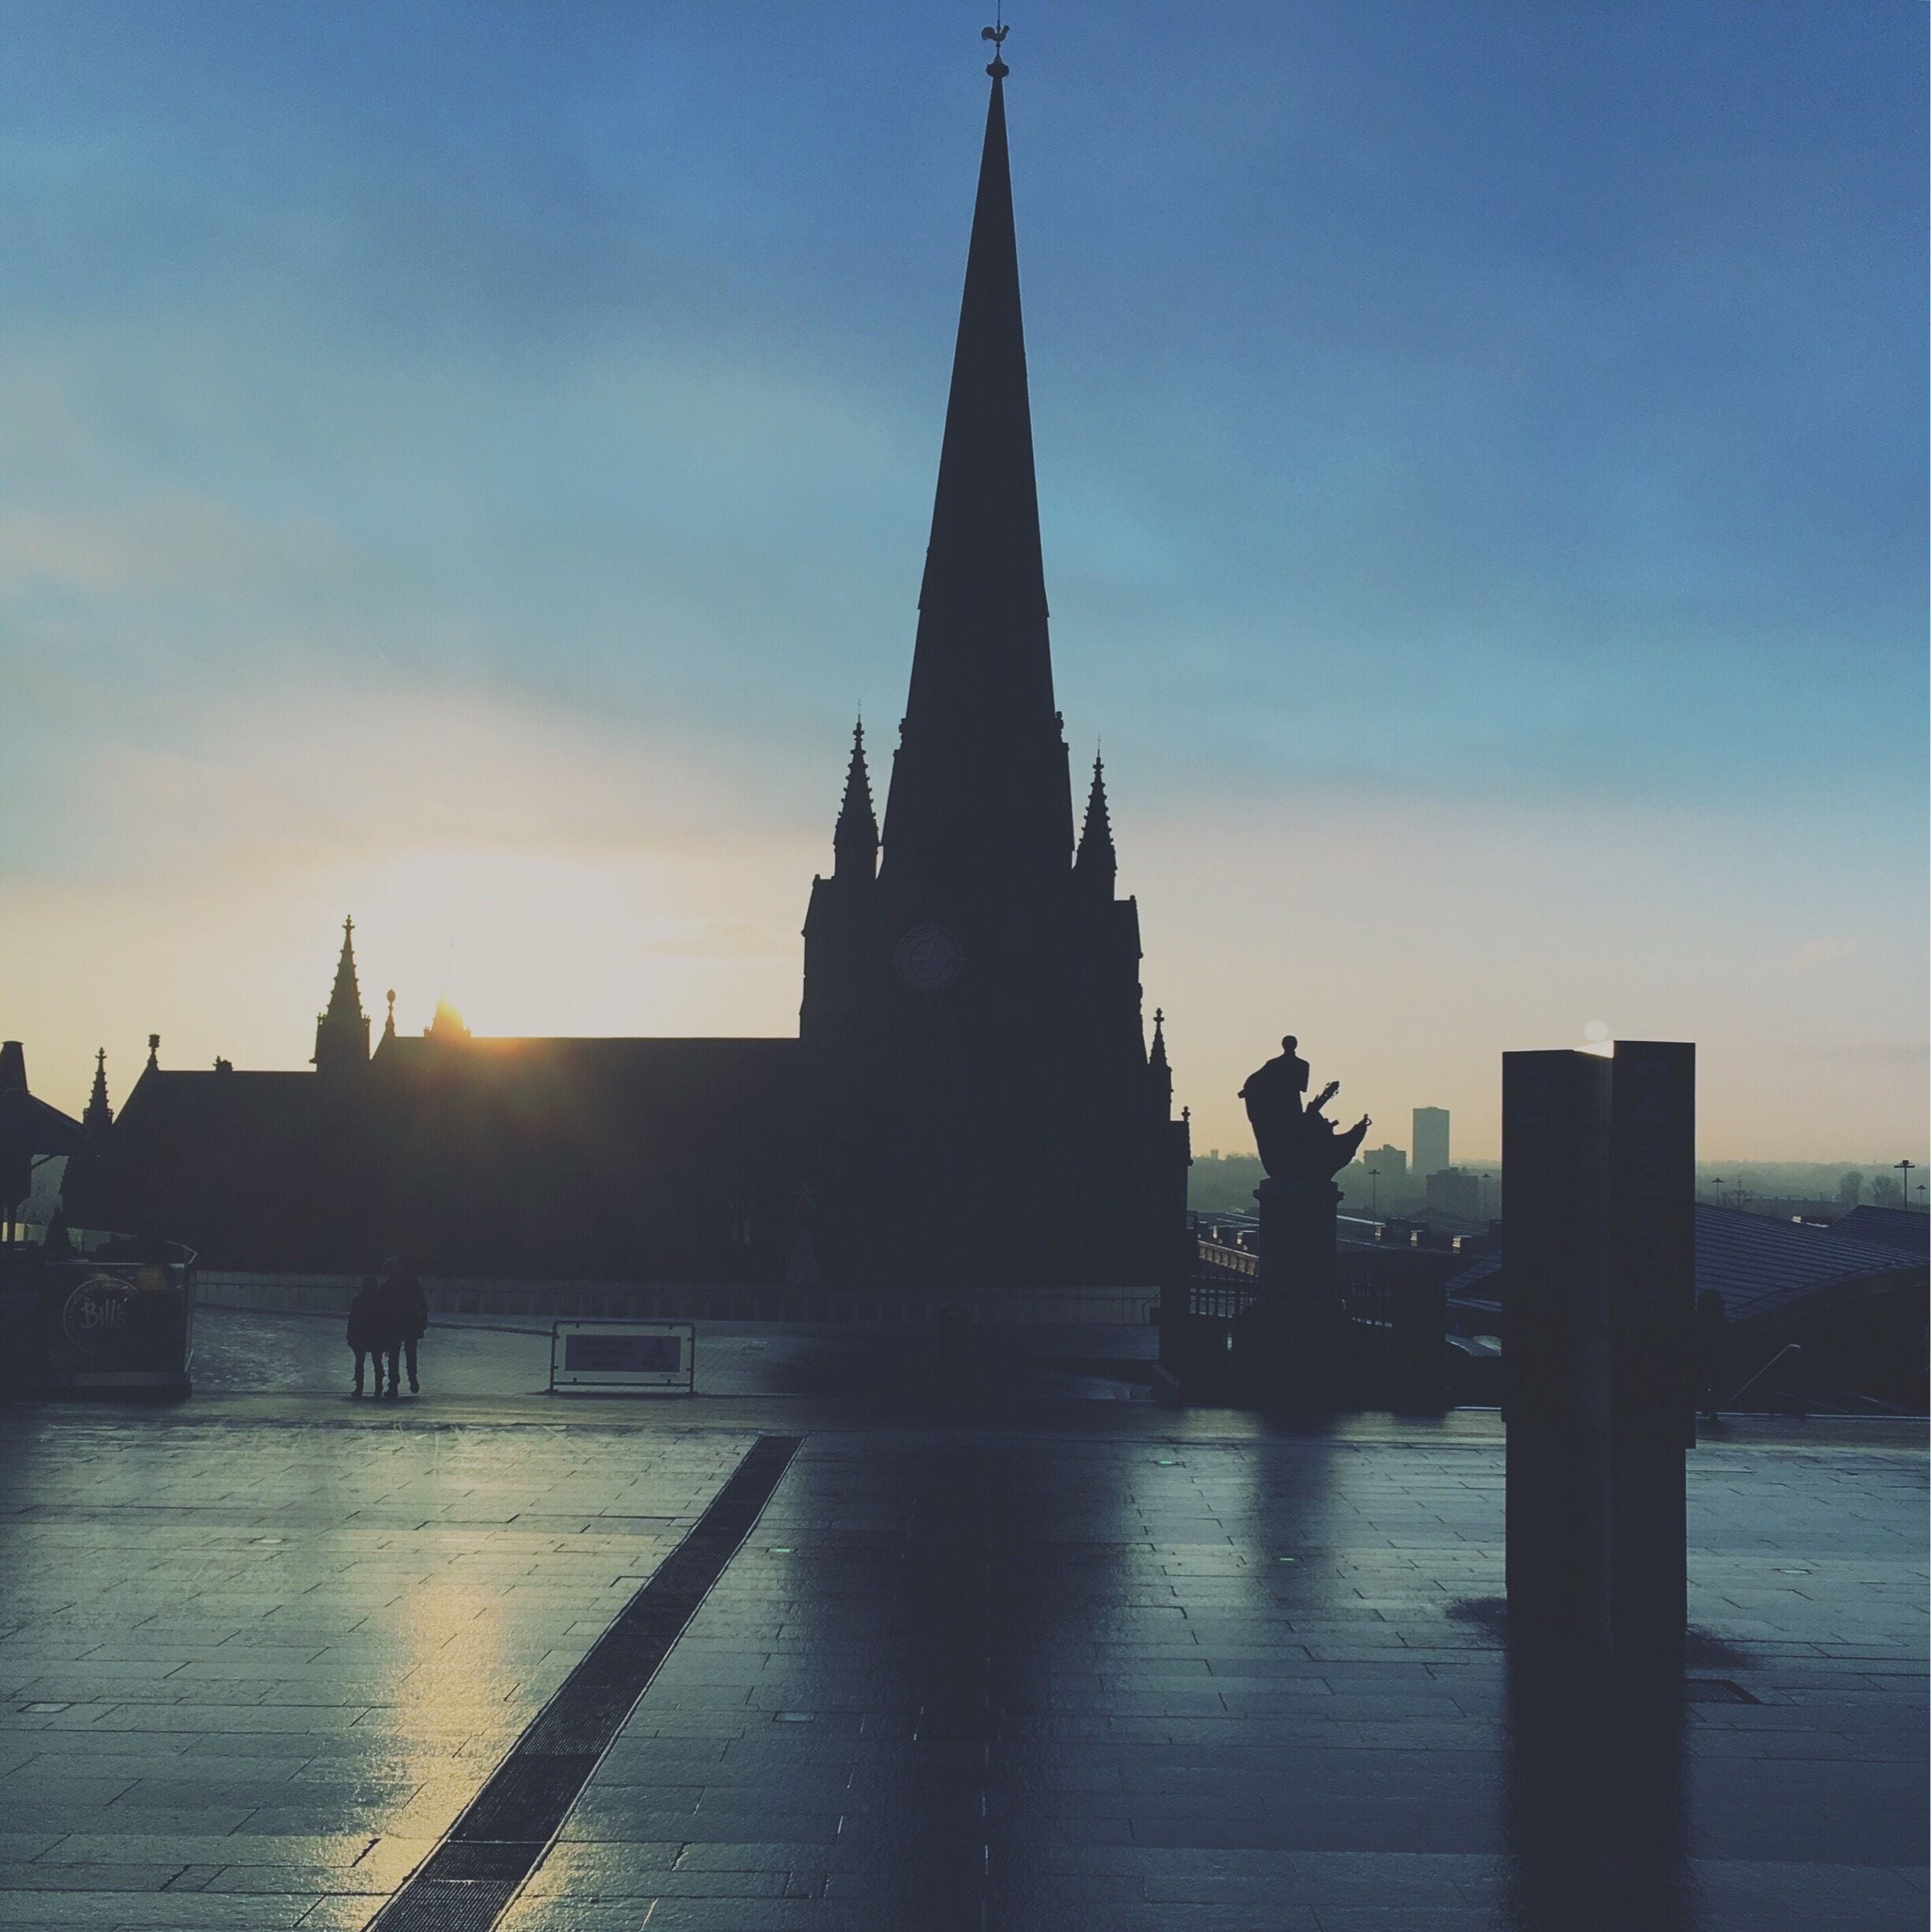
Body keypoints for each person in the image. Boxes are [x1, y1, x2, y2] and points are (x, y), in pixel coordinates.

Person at [381, 1255, 428, 1396]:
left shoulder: (388, 1286)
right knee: (410, 1353)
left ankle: (394, 1385)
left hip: (395, 1324)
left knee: (394, 1355)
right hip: (410, 1322)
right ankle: (412, 1379)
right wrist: (423, 1320)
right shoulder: (411, 1283)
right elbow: (422, 1302)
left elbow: (383, 1308)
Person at [346, 1274, 384, 1398]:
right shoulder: (379, 1299)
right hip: (374, 1335)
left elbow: (353, 1320)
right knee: (376, 1362)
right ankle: (378, 1388)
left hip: (363, 1335)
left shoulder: (359, 1299)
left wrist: (350, 1336)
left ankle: (360, 1388)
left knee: (362, 1362)